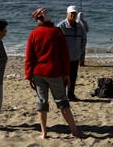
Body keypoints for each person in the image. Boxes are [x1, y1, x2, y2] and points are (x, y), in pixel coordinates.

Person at [25, 8, 85, 139]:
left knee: (42, 102)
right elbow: (64, 55)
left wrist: (29, 76)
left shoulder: (33, 34)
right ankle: (74, 131)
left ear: (37, 19)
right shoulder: (57, 32)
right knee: (62, 102)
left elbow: (29, 58)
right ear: (49, 18)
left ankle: (44, 133)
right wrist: (66, 74)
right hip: (54, 72)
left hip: (38, 73)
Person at [57, 5, 86, 101]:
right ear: (67, 14)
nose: (73, 15)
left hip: (75, 57)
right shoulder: (61, 26)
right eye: (71, 13)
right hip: (64, 58)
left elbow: (84, 39)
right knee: (64, 77)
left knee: (73, 77)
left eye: (75, 13)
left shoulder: (79, 26)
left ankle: (71, 95)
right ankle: (61, 95)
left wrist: (81, 51)